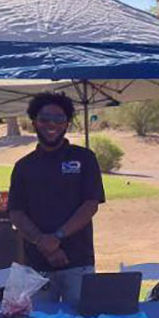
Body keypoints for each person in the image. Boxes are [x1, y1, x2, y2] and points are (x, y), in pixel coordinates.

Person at [8, 92, 105, 306]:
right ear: (34, 122)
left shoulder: (84, 158)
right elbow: (16, 212)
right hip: (36, 265)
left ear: (67, 124)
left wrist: (57, 237)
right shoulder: (24, 166)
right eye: (44, 119)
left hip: (78, 262)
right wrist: (42, 242)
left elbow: (91, 204)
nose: (51, 124)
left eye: (59, 119)